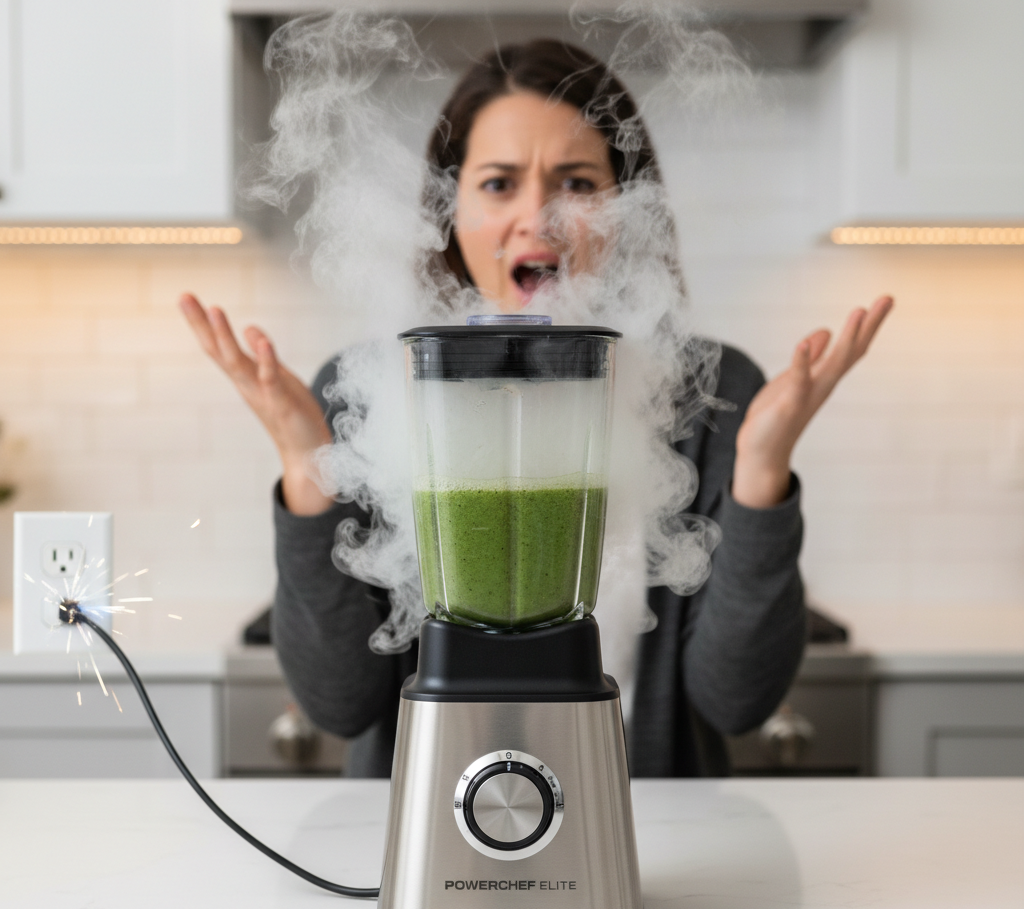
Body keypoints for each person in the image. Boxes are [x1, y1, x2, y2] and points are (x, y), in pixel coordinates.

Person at [180, 40, 892, 777]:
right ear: (448, 212)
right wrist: (306, 464)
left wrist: (762, 470)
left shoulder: (713, 390)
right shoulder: (369, 391)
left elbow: (735, 701)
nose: (538, 218)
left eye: (577, 182)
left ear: (626, 206)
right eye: (498, 184)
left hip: (656, 823)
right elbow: (341, 703)